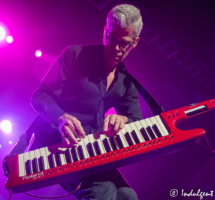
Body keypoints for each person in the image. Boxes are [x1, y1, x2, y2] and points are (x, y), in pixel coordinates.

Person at [28, 4, 144, 200]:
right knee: (103, 191)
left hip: (94, 151)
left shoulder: (126, 82)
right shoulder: (74, 55)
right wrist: (60, 118)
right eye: (110, 39)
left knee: (128, 196)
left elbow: (137, 122)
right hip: (58, 145)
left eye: (123, 43)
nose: (115, 48)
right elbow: (39, 96)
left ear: (135, 42)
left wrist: (123, 119)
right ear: (104, 31)